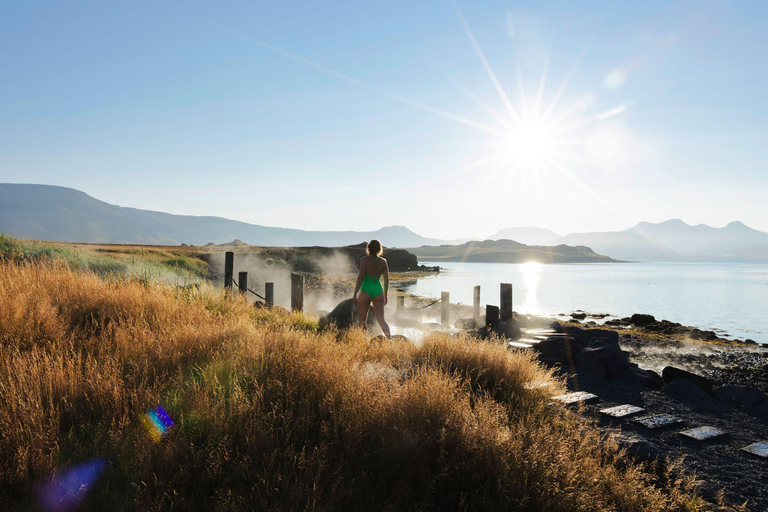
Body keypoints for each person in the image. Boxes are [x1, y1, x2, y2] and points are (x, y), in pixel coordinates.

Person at [352, 239, 391, 338]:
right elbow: (386, 280)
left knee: (362, 319)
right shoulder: (383, 262)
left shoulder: (364, 260)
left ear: (368, 248)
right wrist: (385, 295)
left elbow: (360, 277)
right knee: (382, 320)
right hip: (378, 291)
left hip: (366, 290)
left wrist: (355, 294)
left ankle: (363, 342)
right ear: (379, 249)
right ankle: (389, 340)